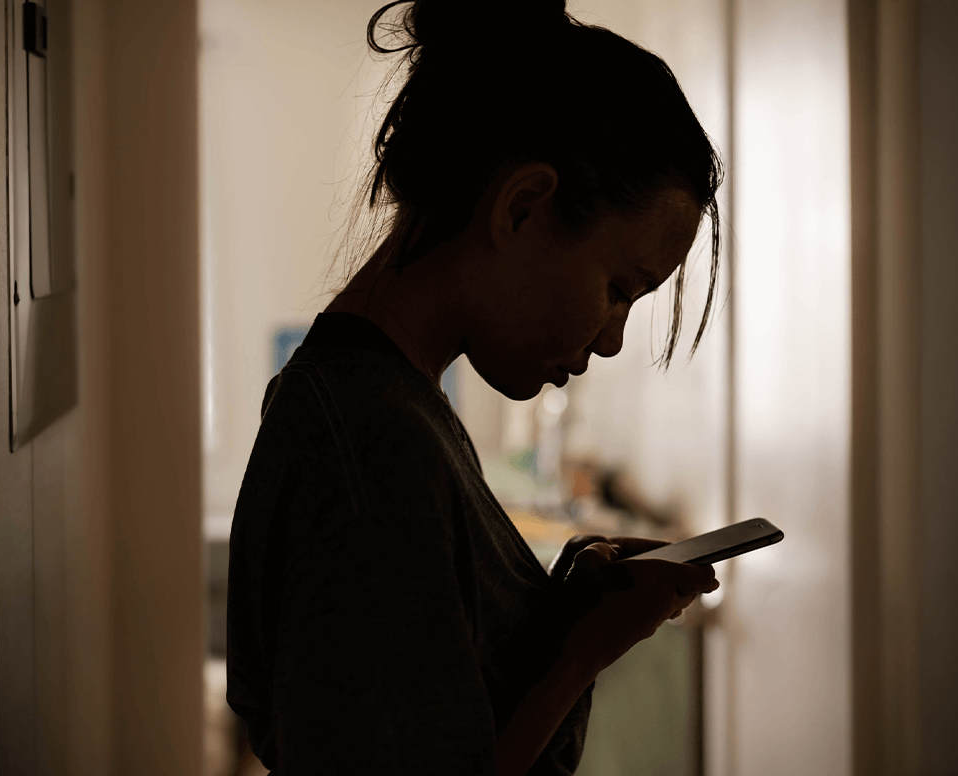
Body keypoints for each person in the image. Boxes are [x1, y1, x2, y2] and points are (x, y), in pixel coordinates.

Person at [227, 1, 724, 773]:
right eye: (619, 287)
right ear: (522, 207)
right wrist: (581, 655)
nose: (613, 337)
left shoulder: (391, 406)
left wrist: (561, 616)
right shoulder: (372, 443)